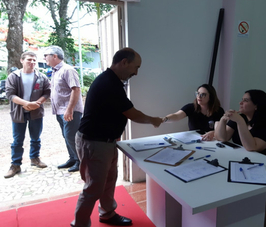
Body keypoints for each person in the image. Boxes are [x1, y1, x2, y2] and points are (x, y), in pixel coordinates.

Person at [71, 48, 162, 227]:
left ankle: (107, 213)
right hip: (94, 142)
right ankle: (79, 224)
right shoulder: (108, 83)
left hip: (107, 142)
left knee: (109, 180)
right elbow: (132, 113)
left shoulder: (113, 81)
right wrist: (153, 120)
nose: (136, 72)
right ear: (124, 62)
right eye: (135, 67)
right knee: (93, 187)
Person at [4, 51, 51, 178]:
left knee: (36, 138)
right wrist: (26, 103)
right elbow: (10, 94)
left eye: (34, 60)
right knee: (17, 140)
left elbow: (47, 92)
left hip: (36, 112)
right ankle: (15, 164)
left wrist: (37, 103)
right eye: (29, 60)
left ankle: (35, 158)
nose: (32, 62)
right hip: (19, 112)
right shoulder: (14, 76)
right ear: (22, 60)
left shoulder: (41, 77)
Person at [44, 45, 83, 172]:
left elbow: (76, 89)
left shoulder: (67, 70)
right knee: (66, 136)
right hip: (60, 111)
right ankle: (72, 158)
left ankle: (80, 161)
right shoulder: (55, 71)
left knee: (71, 136)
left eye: (46, 55)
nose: (45, 58)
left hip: (69, 111)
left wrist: (69, 109)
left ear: (54, 56)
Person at [215, 89, 266, 160]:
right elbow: (222, 138)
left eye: (245, 100)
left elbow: (251, 147)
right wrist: (223, 119)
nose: (240, 103)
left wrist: (240, 121)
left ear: (256, 105)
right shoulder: (241, 117)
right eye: (242, 100)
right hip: (243, 158)